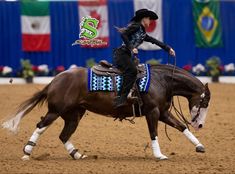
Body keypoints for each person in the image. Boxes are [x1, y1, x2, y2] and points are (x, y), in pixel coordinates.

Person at [113, 9, 175, 108]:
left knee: (139, 71)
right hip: (121, 54)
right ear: (144, 19)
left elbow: (153, 40)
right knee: (132, 71)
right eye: (149, 19)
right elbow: (123, 34)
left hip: (127, 55)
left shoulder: (142, 32)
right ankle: (120, 99)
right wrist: (131, 47)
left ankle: (134, 94)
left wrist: (167, 48)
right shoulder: (136, 27)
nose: (150, 22)